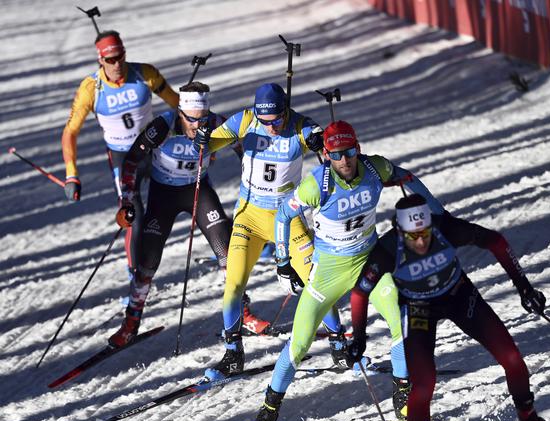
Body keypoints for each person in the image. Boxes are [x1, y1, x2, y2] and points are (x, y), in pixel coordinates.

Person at [242, 120, 445, 421]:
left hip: (370, 266)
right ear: (326, 155)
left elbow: (407, 177)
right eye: (337, 155)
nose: (345, 160)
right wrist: (283, 263)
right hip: (328, 275)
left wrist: (438, 212)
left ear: (358, 148)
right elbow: (283, 215)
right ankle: (268, 412)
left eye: (350, 152)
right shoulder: (316, 185)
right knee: (300, 341)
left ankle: (402, 395)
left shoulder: (374, 168)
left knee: (404, 322)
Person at [351, 194, 550, 421]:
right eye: (413, 236)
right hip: (419, 311)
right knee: (423, 386)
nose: (422, 241)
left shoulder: (444, 227)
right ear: (400, 232)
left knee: (512, 358)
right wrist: (358, 337)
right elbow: (359, 293)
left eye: (425, 232)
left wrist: (525, 288)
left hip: (459, 296)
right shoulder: (387, 249)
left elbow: (496, 242)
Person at [193, 83, 345, 379]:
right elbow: (209, 145)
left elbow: (330, 151)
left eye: (276, 120)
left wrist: (321, 145)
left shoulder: (300, 126)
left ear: (285, 111)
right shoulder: (246, 120)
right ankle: (233, 353)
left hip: (288, 218)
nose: (271, 127)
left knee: (317, 282)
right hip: (249, 217)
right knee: (234, 284)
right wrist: (202, 140)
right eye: (266, 122)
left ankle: (340, 345)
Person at [108, 82, 237, 346]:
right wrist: (127, 202)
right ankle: (130, 324)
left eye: (203, 119)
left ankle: (241, 316)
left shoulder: (216, 123)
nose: (198, 126)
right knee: (148, 261)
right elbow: (131, 161)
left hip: (198, 190)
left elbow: (244, 149)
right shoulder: (162, 127)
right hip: (163, 195)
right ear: (180, 112)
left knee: (228, 251)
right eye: (192, 120)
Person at [61, 30, 179, 279]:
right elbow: (70, 131)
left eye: (120, 56)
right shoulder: (91, 88)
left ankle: (229, 243)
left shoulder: (145, 73)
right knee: (133, 217)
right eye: (110, 59)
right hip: (124, 160)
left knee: (191, 193)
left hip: (155, 150)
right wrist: (72, 175)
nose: (117, 64)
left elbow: (176, 102)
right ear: (100, 61)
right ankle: (135, 275)